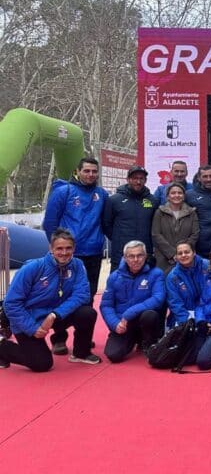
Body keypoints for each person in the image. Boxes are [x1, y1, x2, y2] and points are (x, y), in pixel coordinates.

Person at [0, 229, 101, 371]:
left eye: (68, 248)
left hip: (55, 315)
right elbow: (11, 304)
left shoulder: (77, 265)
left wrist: (54, 315)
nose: (64, 252)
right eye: (59, 248)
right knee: (42, 364)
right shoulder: (32, 268)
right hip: (29, 318)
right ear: (51, 248)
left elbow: (82, 295)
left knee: (87, 313)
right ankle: (2, 348)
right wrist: (32, 328)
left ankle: (81, 353)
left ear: (74, 248)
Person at [43, 156, 108, 307]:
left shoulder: (102, 194)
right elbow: (50, 222)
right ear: (78, 171)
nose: (90, 174)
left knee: (89, 295)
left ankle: (85, 322)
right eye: (86, 171)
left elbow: (106, 221)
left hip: (94, 253)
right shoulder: (63, 192)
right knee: (63, 294)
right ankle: (60, 322)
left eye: (94, 171)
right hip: (69, 253)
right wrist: (56, 247)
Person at [100, 240, 165, 363]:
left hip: (143, 319)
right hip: (123, 323)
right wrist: (115, 324)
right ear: (125, 258)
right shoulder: (114, 277)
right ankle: (131, 339)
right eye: (131, 256)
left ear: (145, 256)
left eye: (140, 255)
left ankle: (148, 342)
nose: (136, 259)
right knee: (113, 355)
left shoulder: (157, 274)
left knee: (150, 315)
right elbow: (106, 305)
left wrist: (129, 313)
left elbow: (158, 299)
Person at [102, 165, 159, 271]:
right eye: (135, 178)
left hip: (144, 253)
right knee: (119, 280)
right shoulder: (114, 200)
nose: (138, 181)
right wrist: (118, 239)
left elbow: (155, 226)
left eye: (141, 178)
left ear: (145, 180)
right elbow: (106, 224)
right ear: (128, 179)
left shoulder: (153, 201)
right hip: (120, 254)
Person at [151, 182, 200, 273]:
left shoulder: (192, 213)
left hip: (186, 258)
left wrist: (183, 252)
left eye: (179, 193)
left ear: (184, 196)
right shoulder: (159, 212)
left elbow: (195, 234)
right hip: (163, 258)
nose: (176, 195)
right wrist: (173, 254)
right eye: (173, 193)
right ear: (167, 196)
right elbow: (156, 234)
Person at [165, 242, 207, 329]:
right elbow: (175, 303)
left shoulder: (208, 266)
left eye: (187, 252)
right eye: (180, 253)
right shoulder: (172, 277)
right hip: (185, 316)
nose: (183, 255)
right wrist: (188, 323)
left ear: (194, 253)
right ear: (176, 257)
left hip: (208, 312)